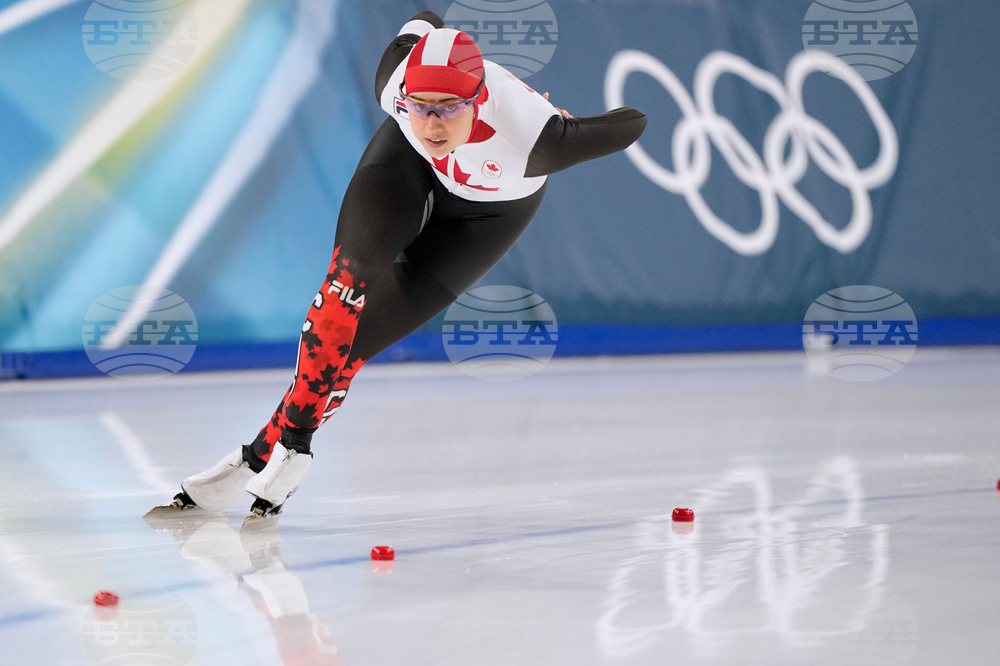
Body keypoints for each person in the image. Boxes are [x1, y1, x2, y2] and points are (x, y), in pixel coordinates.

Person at [150, 11, 647, 525]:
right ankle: (293, 445)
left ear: (477, 102)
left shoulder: (536, 140)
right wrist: (423, 62)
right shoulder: (393, 80)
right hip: (406, 164)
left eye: (449, 109)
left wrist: (569, 126)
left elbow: (632, 122)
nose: (433, 124)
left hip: (492, 212)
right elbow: (425, 19)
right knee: (350, 274)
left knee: (357, 343)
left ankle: (254, 456)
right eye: (420, 107)